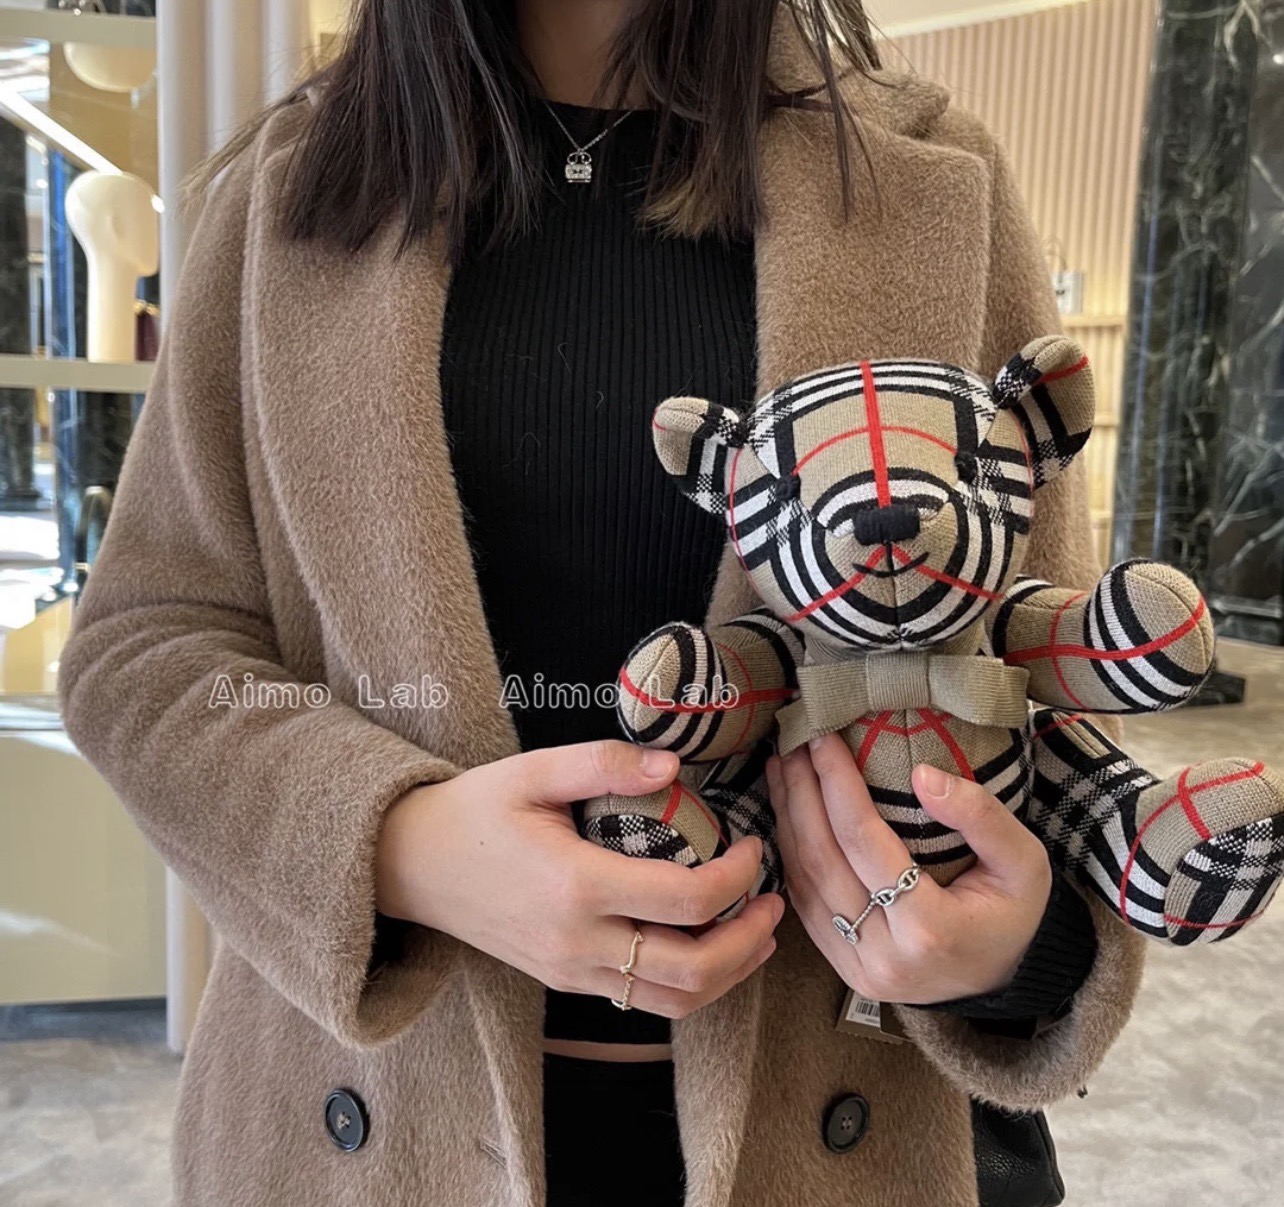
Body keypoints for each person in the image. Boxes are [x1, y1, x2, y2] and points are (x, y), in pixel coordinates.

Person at [56, 1, 1145, 1204]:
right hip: (367, 1137)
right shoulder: (295, 186)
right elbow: (147, 645)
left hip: (845, 1134)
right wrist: (398, 846)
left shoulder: (929, 180)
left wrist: (1013, 949)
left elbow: (1041, 674)